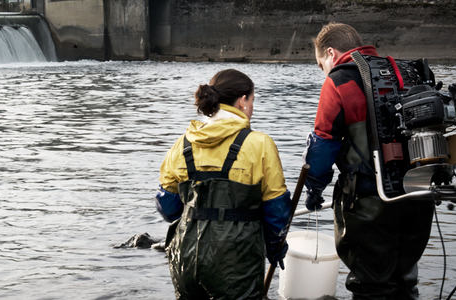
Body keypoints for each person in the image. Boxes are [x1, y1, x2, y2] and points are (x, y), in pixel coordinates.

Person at [303, 22, 434, 300]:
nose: (322, 71)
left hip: (371, 204)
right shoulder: (406, 74)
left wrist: (313, 191)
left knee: (372, 286)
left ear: (330, 53)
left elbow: (323, 146)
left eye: (320, 64)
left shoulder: (339, 81)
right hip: (419, 196)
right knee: (405, 280)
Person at [155, 69, 292, 299]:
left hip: (185, 259)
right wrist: (276, 246)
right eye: (252, 101)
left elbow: (168, 209)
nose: (252, 108)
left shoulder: (182, 143)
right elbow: (276, 209)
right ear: (242, 101)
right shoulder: (260, 144)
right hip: (236, 261)